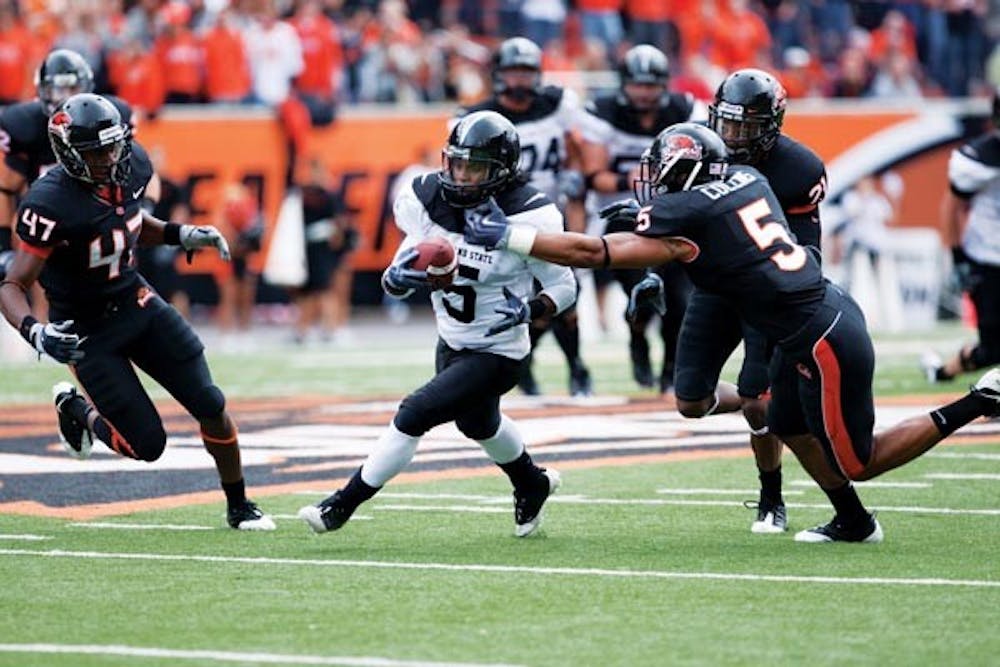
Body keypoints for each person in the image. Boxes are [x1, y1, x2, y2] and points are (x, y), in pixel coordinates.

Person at [463, 122, 1000, 543]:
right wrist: (653, 225)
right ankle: (854, 523)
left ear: (688, 177)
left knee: (861, 460)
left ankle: (978, 399)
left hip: (821, 338)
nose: (655, 182)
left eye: (664, 174)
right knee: (788, 424)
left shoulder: (689, 220)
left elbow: (593, 252)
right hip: (818, 317)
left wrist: (512, 235)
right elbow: (699, 225)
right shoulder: (750, 180)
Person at [0, 93, 274, 531]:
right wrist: (35, 331)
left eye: (114, 145)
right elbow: (13, 283)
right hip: (87, 329)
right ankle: (76, 408)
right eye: (98, 151)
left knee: (210, 402)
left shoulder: (133, 166)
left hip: (136, 302)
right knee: (146, 445)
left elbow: (128, 221)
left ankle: (239, 504)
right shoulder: (49, 203)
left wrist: (178, 234)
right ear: (70, 155)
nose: (112, 156)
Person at [298, 111, 572, 537]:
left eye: (475, 167)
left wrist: (532, 310)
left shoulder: (530, 213)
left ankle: (341, 504)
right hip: (452, 338)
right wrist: (395, 279)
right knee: (479, 424)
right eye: (457, 163)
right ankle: (531, 483)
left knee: (415, 412)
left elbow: (565, 284)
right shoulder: (425, 197)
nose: (462, 176)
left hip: (499, 350)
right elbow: (409, 264)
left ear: (502, 170)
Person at [665, 68, 829, 534]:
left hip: (766, 294)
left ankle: (770, 495)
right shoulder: (702, 152)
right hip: (716, 287)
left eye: (746, 128)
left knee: (760, 405)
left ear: (773, 124)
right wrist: (654, 274)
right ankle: (767, 400)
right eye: (728, 124)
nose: (733, 138)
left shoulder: (798, 169)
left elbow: (806, 249)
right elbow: (677, 226)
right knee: (690, 403)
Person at [452, 36, 592, 397]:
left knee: (564, 296)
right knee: (525, 302)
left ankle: (577, 368)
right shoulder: (476, 118)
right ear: (499, 74)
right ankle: (528, 368)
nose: (519, 80)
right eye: (513, 71)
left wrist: (577, 172)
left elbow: (579, 144)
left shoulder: (558, 104)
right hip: (505, 216)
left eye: (526, 72)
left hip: (550, 212)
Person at [578, 44, 702, 393]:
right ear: (624, 84)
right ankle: (637, 338)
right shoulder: (602, 112)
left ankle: (671, 371)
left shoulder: (685, 109)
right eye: (638, 85)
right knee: (643, 295)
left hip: (673, 214)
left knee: (680, 299)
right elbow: (594, 175)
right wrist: (631, 179)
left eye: (651, 85)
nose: (644, 93)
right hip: (621, 215)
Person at [0, 49, 134, 313]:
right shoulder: (25, 126)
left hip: (98, 215)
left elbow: (135, 167)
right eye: (58, 89)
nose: (66, 97)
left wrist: (139, 211)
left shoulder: (108, 117)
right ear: (42, 90)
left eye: (73, 87)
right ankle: (41, 328)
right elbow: (6, 187)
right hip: (51, 219)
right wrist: (3, 242)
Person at [922, 87, 1000, 384]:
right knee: (993, 348)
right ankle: (942, 372)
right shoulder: (979, 160)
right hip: (988, 258)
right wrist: (957, 258)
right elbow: (951, 207)